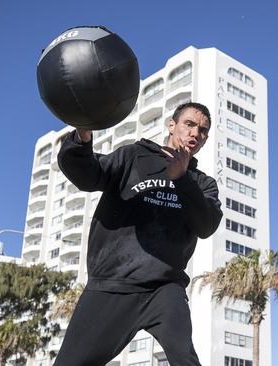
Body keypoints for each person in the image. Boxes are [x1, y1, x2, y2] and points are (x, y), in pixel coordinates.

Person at [54, 102, 223, 366]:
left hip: (165, 288)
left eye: (202, 130)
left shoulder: (203, 184)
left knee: (184, 358)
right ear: (172, 125)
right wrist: (83, 135)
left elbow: (206, 225)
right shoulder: (133, 157)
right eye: (189, 124)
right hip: (112, 283)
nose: (195, 133)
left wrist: (181, 179)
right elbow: (89, 175)